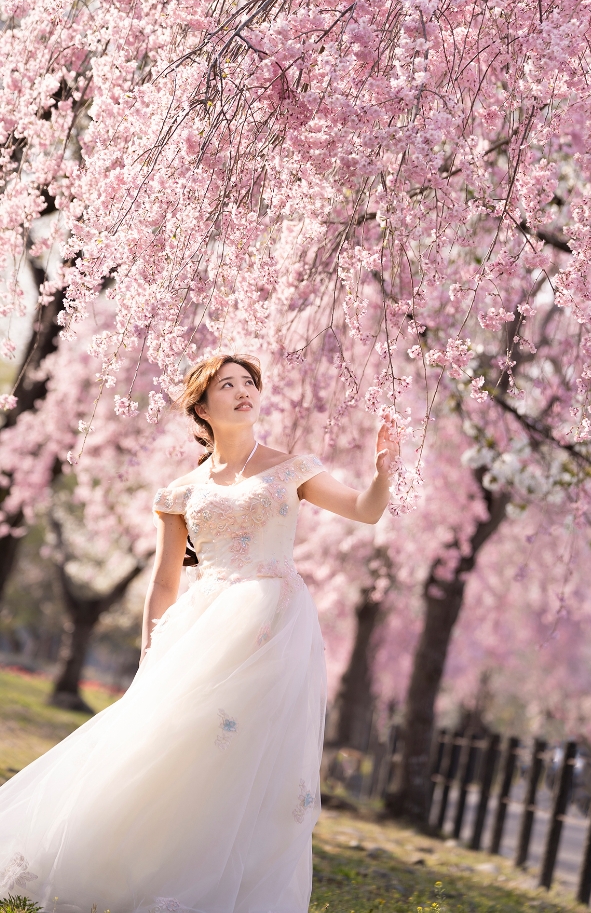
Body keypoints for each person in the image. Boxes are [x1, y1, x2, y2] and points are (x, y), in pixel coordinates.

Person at [0, 354, 396, 913]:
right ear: (202, 407)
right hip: (204, 624)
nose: (243, 393)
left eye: (249, 384)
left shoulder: (294, 467)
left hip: (276, 623)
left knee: (256, 755)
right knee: (176, 742)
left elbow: (364, 510)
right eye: (227, 386)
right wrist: (151, 654)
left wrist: (382, 474)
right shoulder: (180, 491)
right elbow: (164, 582)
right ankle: (147, 869)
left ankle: (236, 883)